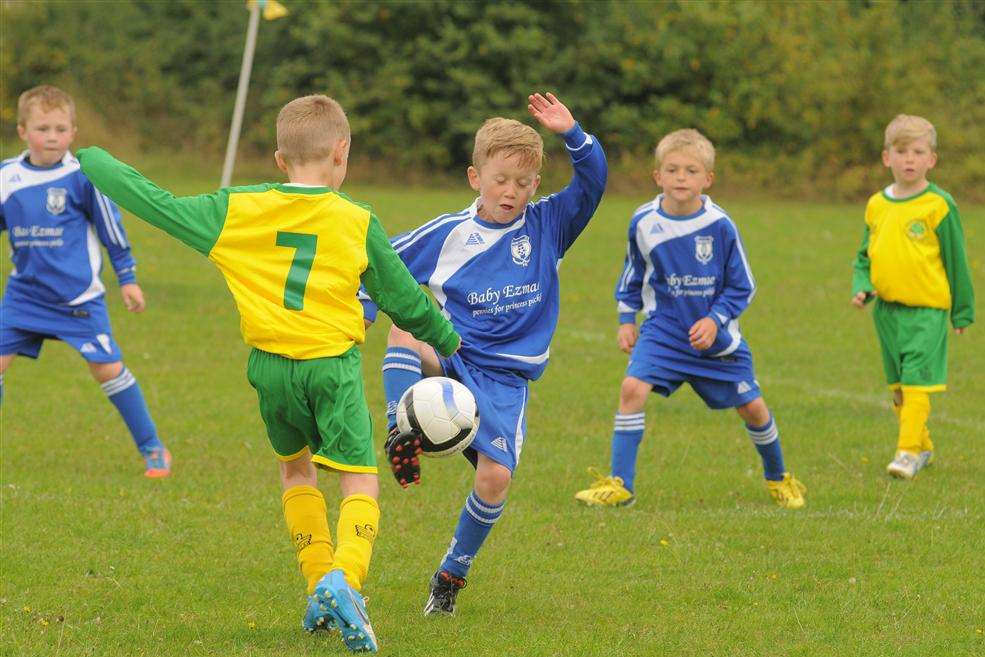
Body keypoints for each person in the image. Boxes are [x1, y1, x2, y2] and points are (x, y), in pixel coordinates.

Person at [77, 94, 460, 653]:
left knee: (296, 473)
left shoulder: (238, 208)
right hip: (331, 367)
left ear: (280, 160)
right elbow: (404, 299)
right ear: (341, 151)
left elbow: (156, 203)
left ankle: (317, 588)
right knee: (359, 477)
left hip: (269, 372)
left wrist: (90, 157)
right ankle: (345, 583)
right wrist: (448, 341)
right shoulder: (356, 220)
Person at [361, 92, 607, 616]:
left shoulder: (548, 225)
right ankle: (398, 425)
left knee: (495, 477)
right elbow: (380, 267)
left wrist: (574, 135)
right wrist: (363, 306)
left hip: (503, 380)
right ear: (476, 177)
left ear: (536, 185)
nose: (511, 192)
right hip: (451, 354)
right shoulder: (449, 233)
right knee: (406, 326)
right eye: (500, 180)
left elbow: (593, 184)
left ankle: (451, 575)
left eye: (523, 183)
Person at [574, 129, 806, 510]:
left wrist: (715, 320)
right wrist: (626, 319)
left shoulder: (720, 225)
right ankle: (620, 485)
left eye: (691, 170)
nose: (681, 177)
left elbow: (743, 286)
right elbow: (632, 274)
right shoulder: (643, 222)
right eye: (673, 169)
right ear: (658, 176)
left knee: (753, 407)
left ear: (707, 179)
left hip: (716, 338)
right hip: (664, 331)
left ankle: (779, 478)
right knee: (632, 389)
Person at [1, 85, 170, 477]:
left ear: (73, 132)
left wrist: (127, 278)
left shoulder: (82, 176)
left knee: (107, 370)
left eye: (61, 129)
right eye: (43, 128)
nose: (52, 137)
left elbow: (112, 230)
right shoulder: (7, 176)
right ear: (23, 130)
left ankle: (153, 448)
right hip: (23, 296)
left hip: (77, 298)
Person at [851, 114, 974, 479]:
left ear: (931, 159)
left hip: (927, 311)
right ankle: (923, 447)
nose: (909, 159)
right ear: (886, 157)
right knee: (900, 389)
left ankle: (906, 453)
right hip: (887, 313)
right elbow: (863, 255)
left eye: (918, 152)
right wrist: (862, 286)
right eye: (901, 151)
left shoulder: (939, 205)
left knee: (918, 383)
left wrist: (962, 312)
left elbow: (957, 261)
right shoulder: (876, 204)